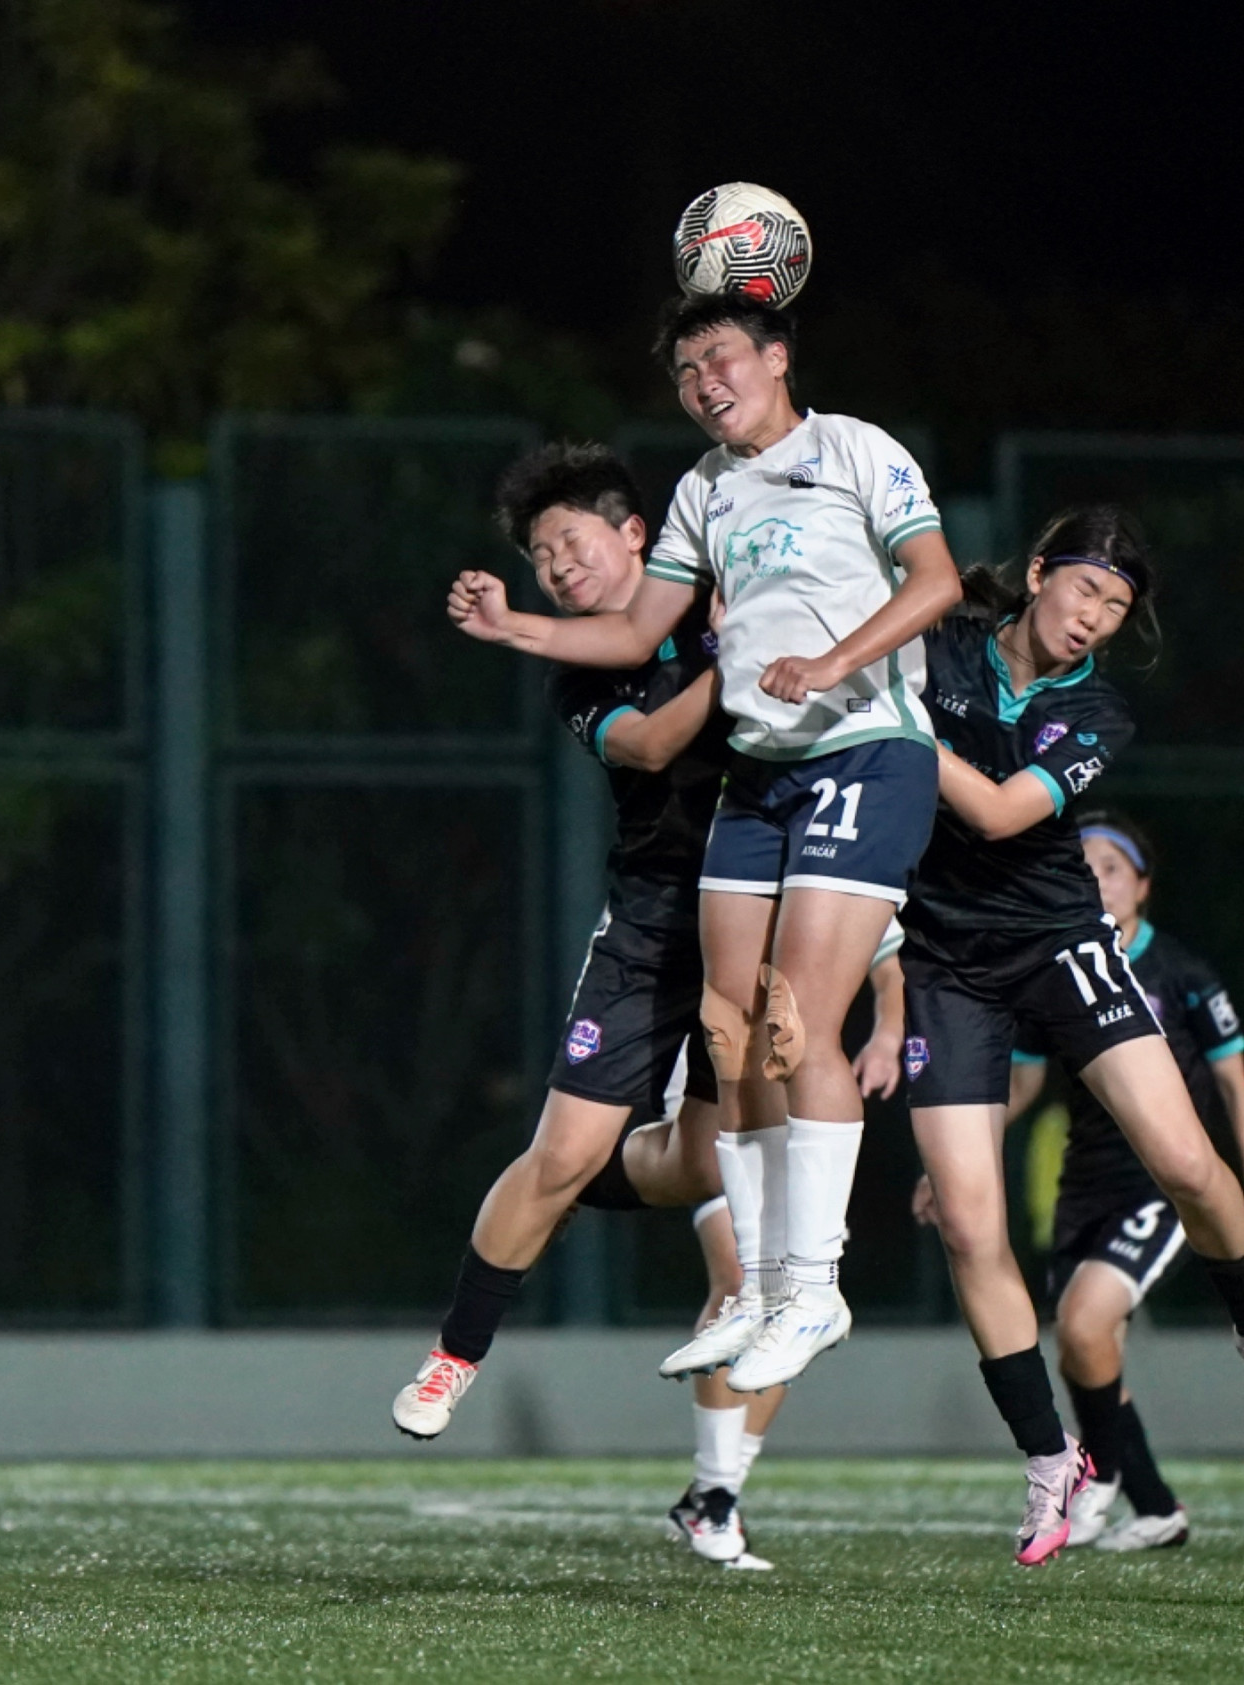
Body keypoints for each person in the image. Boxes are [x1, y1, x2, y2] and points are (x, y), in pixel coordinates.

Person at [450, 291, 962, 1395]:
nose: (702, 384)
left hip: (863, 749)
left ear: (776, 357)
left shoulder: (855, 449)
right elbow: (638, 629)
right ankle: (763, 1291)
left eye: (720, 358)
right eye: (686, 372)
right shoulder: (702, 490)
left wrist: (831, 663)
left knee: (793, 1018)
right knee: (732, 1035)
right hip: (763, 777)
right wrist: (512, 626)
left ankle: (814, 1287)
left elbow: (938, 582)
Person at [897, 506, 1244, 1567]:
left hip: (1058, 945)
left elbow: (1001, 812)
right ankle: (1049, 1458)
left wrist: (891, 720)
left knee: (1186, 1159)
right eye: (1084, 588)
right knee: (968, 1226)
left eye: (1116, 607)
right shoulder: (937, 645)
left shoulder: (1095, 709)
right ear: (1041, 571)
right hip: (944, 965)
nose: (1093, 616)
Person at [393, 443, 735, 1441]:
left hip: (758, 914)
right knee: (553, 1156)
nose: (555, 566)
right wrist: (743, 660)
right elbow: (651, 744)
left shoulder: (722, 591)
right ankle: (454, 1353)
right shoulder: (577, 673)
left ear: (635, 534)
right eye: (540, 556)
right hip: (652, 922)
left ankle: (596, 1177)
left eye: (569, 542)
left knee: (709, 1167)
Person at [1011, 808, 1244, 1551]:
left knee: (1085, 1326)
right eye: (1083, 866)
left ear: (1143, 886)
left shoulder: (1181, 973)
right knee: (1086, 1352)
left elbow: (1235, 1085)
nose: (1097, 879)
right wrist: (956, 1156)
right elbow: (1023, 1084)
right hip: (1082, 1184)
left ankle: (1096, 1475)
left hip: (1156, 1186)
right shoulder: (1056, 974)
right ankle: (1156, 1507)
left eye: (1112, 868)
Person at [669, 931, 906, 1571]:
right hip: (710, 1093)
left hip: (795, 1114)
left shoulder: (817, 882)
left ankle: (717, 1490)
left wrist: (888, 1036)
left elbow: (888, 959)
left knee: (794, 1306)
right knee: (741, 1276)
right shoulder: (711, 876)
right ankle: (713, 1493)